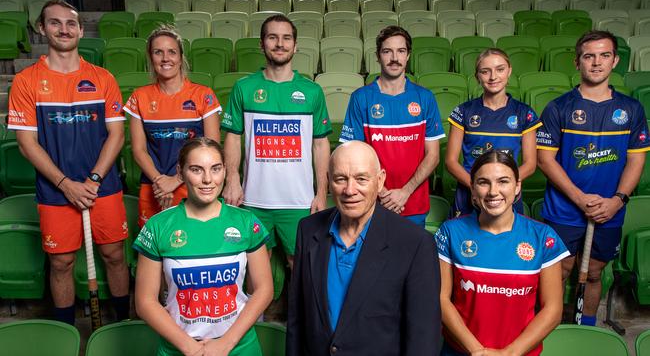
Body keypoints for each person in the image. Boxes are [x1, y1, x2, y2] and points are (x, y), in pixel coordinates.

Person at [7, 0, 130, 325]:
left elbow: (116, 135)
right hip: (55, 190)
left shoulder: (102, 78)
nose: (64, 29)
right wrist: (65, 184)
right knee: (61, 262)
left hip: (102, 186)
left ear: (79, 28)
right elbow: (26, 143)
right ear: (41, 28)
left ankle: (120, 325)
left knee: (115, 255)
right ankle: (66, 332)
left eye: (71, 23)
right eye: (55, 23)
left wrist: (92, 180)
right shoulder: (26, 81)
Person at [537, 30, 650, 326]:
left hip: (609, 211)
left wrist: (617, 200)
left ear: (615, 61)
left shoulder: (631, 109)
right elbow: (544, 159)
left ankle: (586, 328)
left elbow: (636, 160)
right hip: (564, 209)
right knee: (560, 270)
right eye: (589, 56)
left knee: (595, 272)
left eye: (604, 56)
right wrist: (579, 198)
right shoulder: (558, 107)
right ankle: (551, 328)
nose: (596, 63)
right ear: (577, 62)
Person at [287, 141, 441, 356]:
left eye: (361, 179)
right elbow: (297, 318)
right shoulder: (308, 229)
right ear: (329, 181)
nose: (350, 190)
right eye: (341, 179)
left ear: (380, 181)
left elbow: (423, 338)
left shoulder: (415, 243)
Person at [134, 137, 273, 356]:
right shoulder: (158, 226)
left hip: (238, 347)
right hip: (178, 347)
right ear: (180, 172)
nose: (208, 179)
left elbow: (264, 290)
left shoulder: (246, 222)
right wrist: (189, 347)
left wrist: (225, 344)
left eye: (215, 169)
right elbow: (145, 301)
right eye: (197, 170)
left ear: (225, 171)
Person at [221, 14, 331, 268]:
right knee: (255, 265)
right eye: (273, 37)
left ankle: (301, 311)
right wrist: (232, 180)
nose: (280, 44)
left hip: (299, 200)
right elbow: (233, 137)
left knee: (300, 265)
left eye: (286, 38)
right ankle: (257, 311)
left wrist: (321, 192)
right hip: (253, 199)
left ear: (295, 45)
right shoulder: (244, 88)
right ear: (262, 44)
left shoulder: (312, 90)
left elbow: (320, 144)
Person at [435, 150, 568, 356]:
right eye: (483, 182)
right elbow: (441, 299)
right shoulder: (450, 232)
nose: (493, 191)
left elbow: (553, 310)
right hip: (461, 351)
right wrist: (477, 351)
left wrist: (509, 353)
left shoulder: (542, 237)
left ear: (517, 187)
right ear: (472, 188)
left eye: (503, 181)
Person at [339, 26, 445, 227]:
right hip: (371, 202)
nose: (394, 58)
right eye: (387, 51)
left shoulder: (425, 98)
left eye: (401, 51)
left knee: (410, 258)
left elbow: (433, 156)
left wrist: (404, 192)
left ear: (408, 56)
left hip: (413, 203)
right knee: (372, 258)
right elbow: (353, 156)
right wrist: (382, 193)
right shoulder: (361, 98)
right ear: (378, 56)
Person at [123, 25, 220, 227]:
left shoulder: (203, 95)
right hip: (153, 186)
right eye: (158, 52)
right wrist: (160, 181)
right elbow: (139, 150)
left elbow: (212, 147)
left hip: (194, 184)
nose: (165, 58)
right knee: (155, 250)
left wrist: (175, 180)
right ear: (151, 58)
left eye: (171, 52)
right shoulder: (139, 97)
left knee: (193, 246)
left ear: (180, 56)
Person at [446, 48, 541, 218]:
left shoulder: (524, 113)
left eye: (500, 69)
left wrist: (504, 186)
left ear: (509, 71)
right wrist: (475, 187)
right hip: (470, 191)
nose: (493, 77)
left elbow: (530, 163)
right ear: (477, 76)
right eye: (485, 71)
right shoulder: (464, 111)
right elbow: (451, 161)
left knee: (507, 243)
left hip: (507, 193)